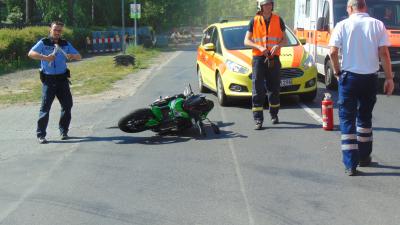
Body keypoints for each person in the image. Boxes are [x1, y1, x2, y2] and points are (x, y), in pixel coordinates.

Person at [329, 0, 395, 176]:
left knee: (347, 120)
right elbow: (384, 53)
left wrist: (337, 72)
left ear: (350, 8)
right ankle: (365, 156)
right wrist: (389, 78)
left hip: (349, 78)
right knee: (364, 118)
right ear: (364, 7)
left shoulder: (342, 25)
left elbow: (333, 52)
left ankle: (351, 164)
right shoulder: (377, 24)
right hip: (370, 79)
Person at [28, 21, 82, 144]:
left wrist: (72, 56)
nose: (57, 32)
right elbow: (31, 53)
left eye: (59, 30)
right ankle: (41, 134)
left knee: (67, 106)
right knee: (45, 108)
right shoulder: (44, 42)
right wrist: (45, 57)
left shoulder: (65, 43)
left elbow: (79, 56)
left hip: (62, 79)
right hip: (49, 80)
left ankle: (63, 131)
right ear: (50, 30)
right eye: (55, 29)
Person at [244, 0, 288, 130]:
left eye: (270, 4)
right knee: (257, 89)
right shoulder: (254, 21)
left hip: (274, 58)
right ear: (261, 6)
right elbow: (246, 40)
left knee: (274, 88)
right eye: (266, 4)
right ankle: (258, 119)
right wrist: (258, 46)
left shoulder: (278, 19)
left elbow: (284, 39)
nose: (268, 6)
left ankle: (274, 114)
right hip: (258, 58)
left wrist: (278, 45)